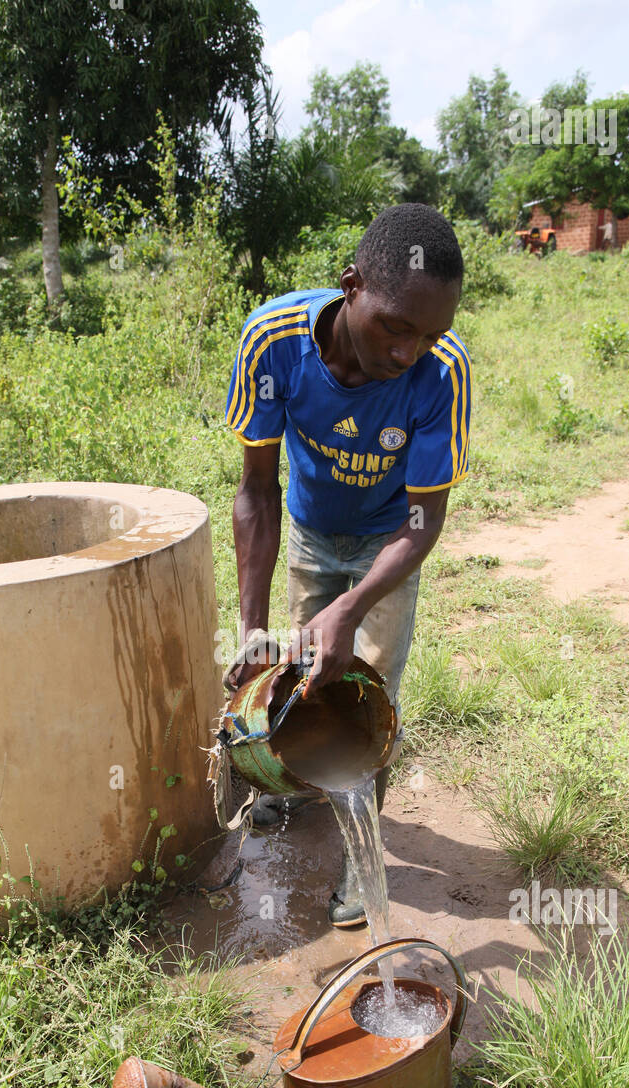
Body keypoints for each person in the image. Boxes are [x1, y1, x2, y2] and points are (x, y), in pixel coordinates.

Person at [223, 203, 471, 928]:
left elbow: (423, 520)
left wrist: (353, 606)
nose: (408, 353)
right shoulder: (274, 342)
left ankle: (363, 867)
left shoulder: (440, 373)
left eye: (430, 335)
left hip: (387, 545)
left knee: (367, 697)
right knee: (301, 672)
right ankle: (286, 784)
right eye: (396, 326)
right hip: (308, 527)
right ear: (352, 284)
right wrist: (249, 628)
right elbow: (256, 491)